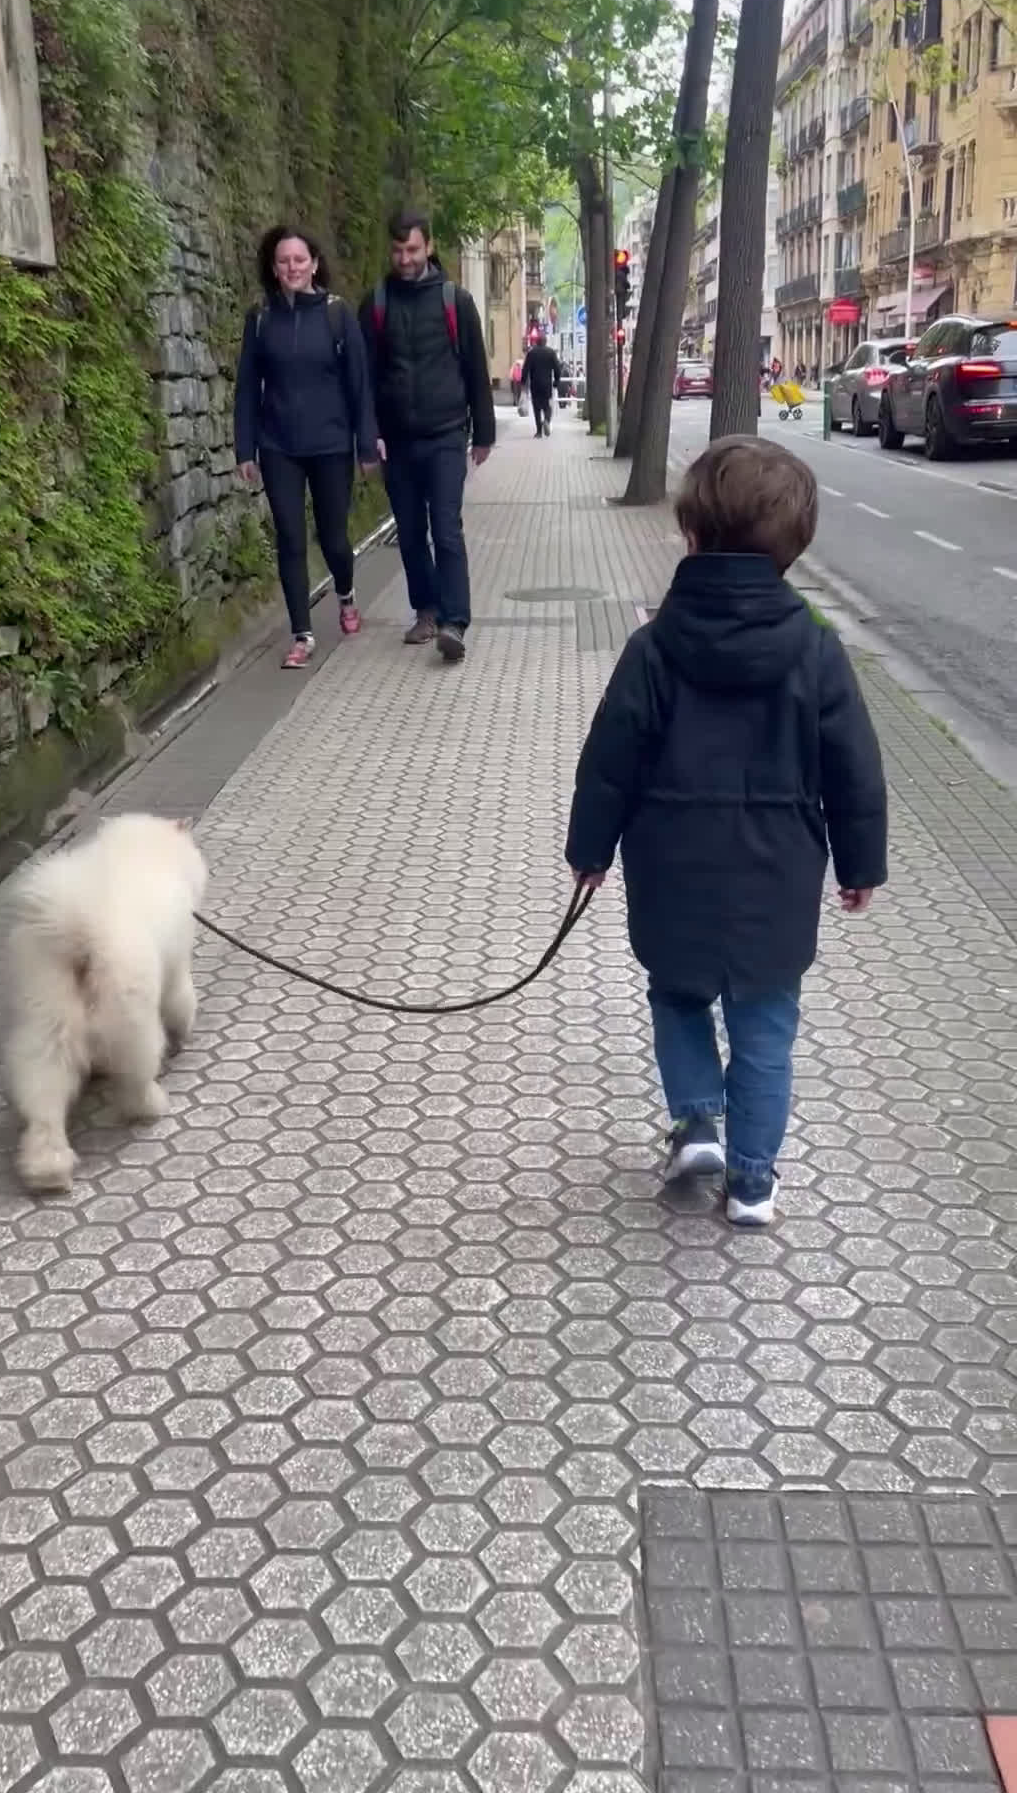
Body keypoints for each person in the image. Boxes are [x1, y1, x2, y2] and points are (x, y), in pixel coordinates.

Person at [564, 436, 887, 1228]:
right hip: (776, 878)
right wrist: (860, 863)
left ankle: (698, 1118)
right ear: (791, 547)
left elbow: (611, 756)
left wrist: (590, 851)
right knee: (766, 1024)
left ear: (693, 537)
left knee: (675, 994)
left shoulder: (652, 649)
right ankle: (751, 1183)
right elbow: (854, 767)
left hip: (671, 864)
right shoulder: (817, 650)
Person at [235, 225, 381, 669]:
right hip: (278, 445)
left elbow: (360, 385)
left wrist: (366, 444)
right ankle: (302, 633)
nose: (292, 268)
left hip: (331, 443)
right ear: (273, 268)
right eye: (283, 261)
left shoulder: (337, 315)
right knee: (291, 537)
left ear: (315, 264)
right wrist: (245, 449)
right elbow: (246, 389)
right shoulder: (260, 318)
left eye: (300, 260)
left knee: (334, 537)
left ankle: (345, 592)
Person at [359, 209, 495, 665]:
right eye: (397, 250)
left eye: (412, 249)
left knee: (446, 528)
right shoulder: (375, 303)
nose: (404, 259)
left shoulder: (454, 301)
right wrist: (368, 434)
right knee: (412, 533)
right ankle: (427, 610)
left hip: (445, 435)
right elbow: (364, 378)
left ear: (429, 247)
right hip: (397, 440)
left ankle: (455, 622)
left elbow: (476, 367)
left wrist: (484, 433)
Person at [520, 334, 563, 438]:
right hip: (546, 384)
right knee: (547, 406)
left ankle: (539, 431)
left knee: (536, 408)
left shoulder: (531, 353)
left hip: (535, 384)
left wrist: (523, 383)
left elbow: (525, 369)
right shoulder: (551, 353)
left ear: (536, 342)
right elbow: (557, 369)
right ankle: (547, 420)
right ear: (545, 342)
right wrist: (556, 381)